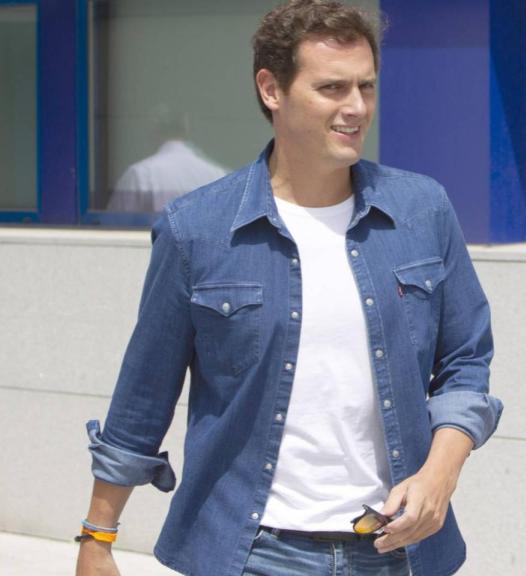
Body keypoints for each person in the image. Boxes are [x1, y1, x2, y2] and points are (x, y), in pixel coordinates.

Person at [76, 2, 502, 575]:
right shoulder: (196, 229)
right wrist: (97, 537)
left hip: (395, 549)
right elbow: (144, 394)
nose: (356, 108)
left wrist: (440, 472)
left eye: (366, 87)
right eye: (331, 88)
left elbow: (466, 362)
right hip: (252, 552)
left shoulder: (422, 211)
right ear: (271, 89)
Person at [106, 107, 229, 213]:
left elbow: (114, 226)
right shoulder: (217, 174)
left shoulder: (141, 174)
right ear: (187, 131)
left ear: (153, 132)